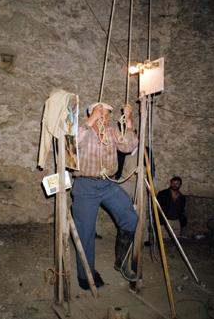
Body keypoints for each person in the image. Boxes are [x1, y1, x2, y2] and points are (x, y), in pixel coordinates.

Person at [71, 102, 139, 290]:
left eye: (107, 114)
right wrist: (91, 119)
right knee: (85, 233)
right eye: (100, 113)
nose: (105, 117)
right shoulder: (82, 130)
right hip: (86, 185)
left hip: (108, 184)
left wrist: (129, 120)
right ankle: (86, 276)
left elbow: (129, 146)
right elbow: (72, 143)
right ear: (92, 114)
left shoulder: (111, 132)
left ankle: (121, 260)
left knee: (130, 217)